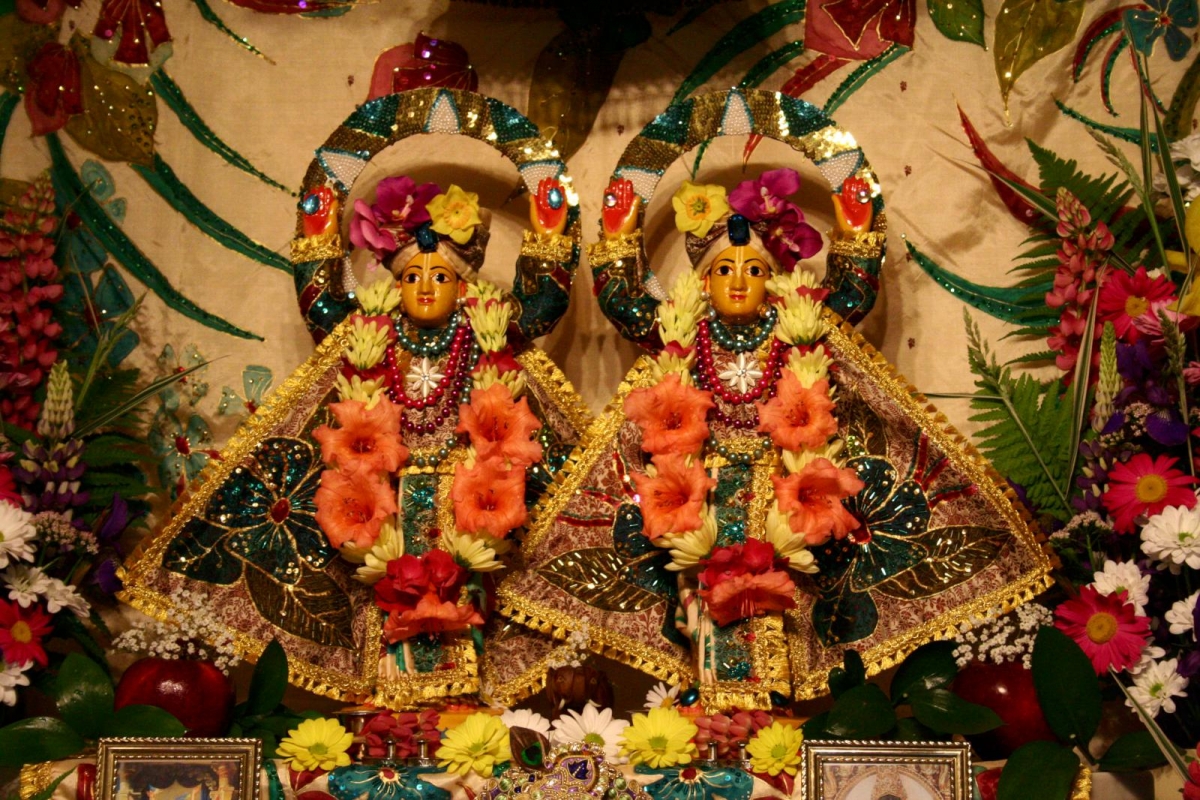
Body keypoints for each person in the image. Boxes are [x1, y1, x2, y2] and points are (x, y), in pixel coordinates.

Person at [499, 157, 1050, 708]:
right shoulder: (685, 334)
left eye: (754, 270)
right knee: (701, 597)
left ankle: (777, 701)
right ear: (702, 281)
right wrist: (618, 241)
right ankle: (709, 697)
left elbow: (849, 299)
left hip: (782, 492)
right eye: (724, 270)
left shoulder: (797, 329)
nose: (739, 281)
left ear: (774, 279)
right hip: (702, 496)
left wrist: (855, 236)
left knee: (783, 597)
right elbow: (628, 308)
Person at [122, 168, 592, 708]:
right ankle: (388, 703)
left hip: (466, 497)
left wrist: (549, 236)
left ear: (464, 286)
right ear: (395, 284)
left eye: (440, 276)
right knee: (387, 589)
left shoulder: (486, 332)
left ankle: (466, 698)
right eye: (411, 276)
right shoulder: (371, 335)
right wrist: (317, 236)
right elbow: (323, 306)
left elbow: (541, 307)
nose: (424, 287)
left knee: (466, 589)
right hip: (386, 497)